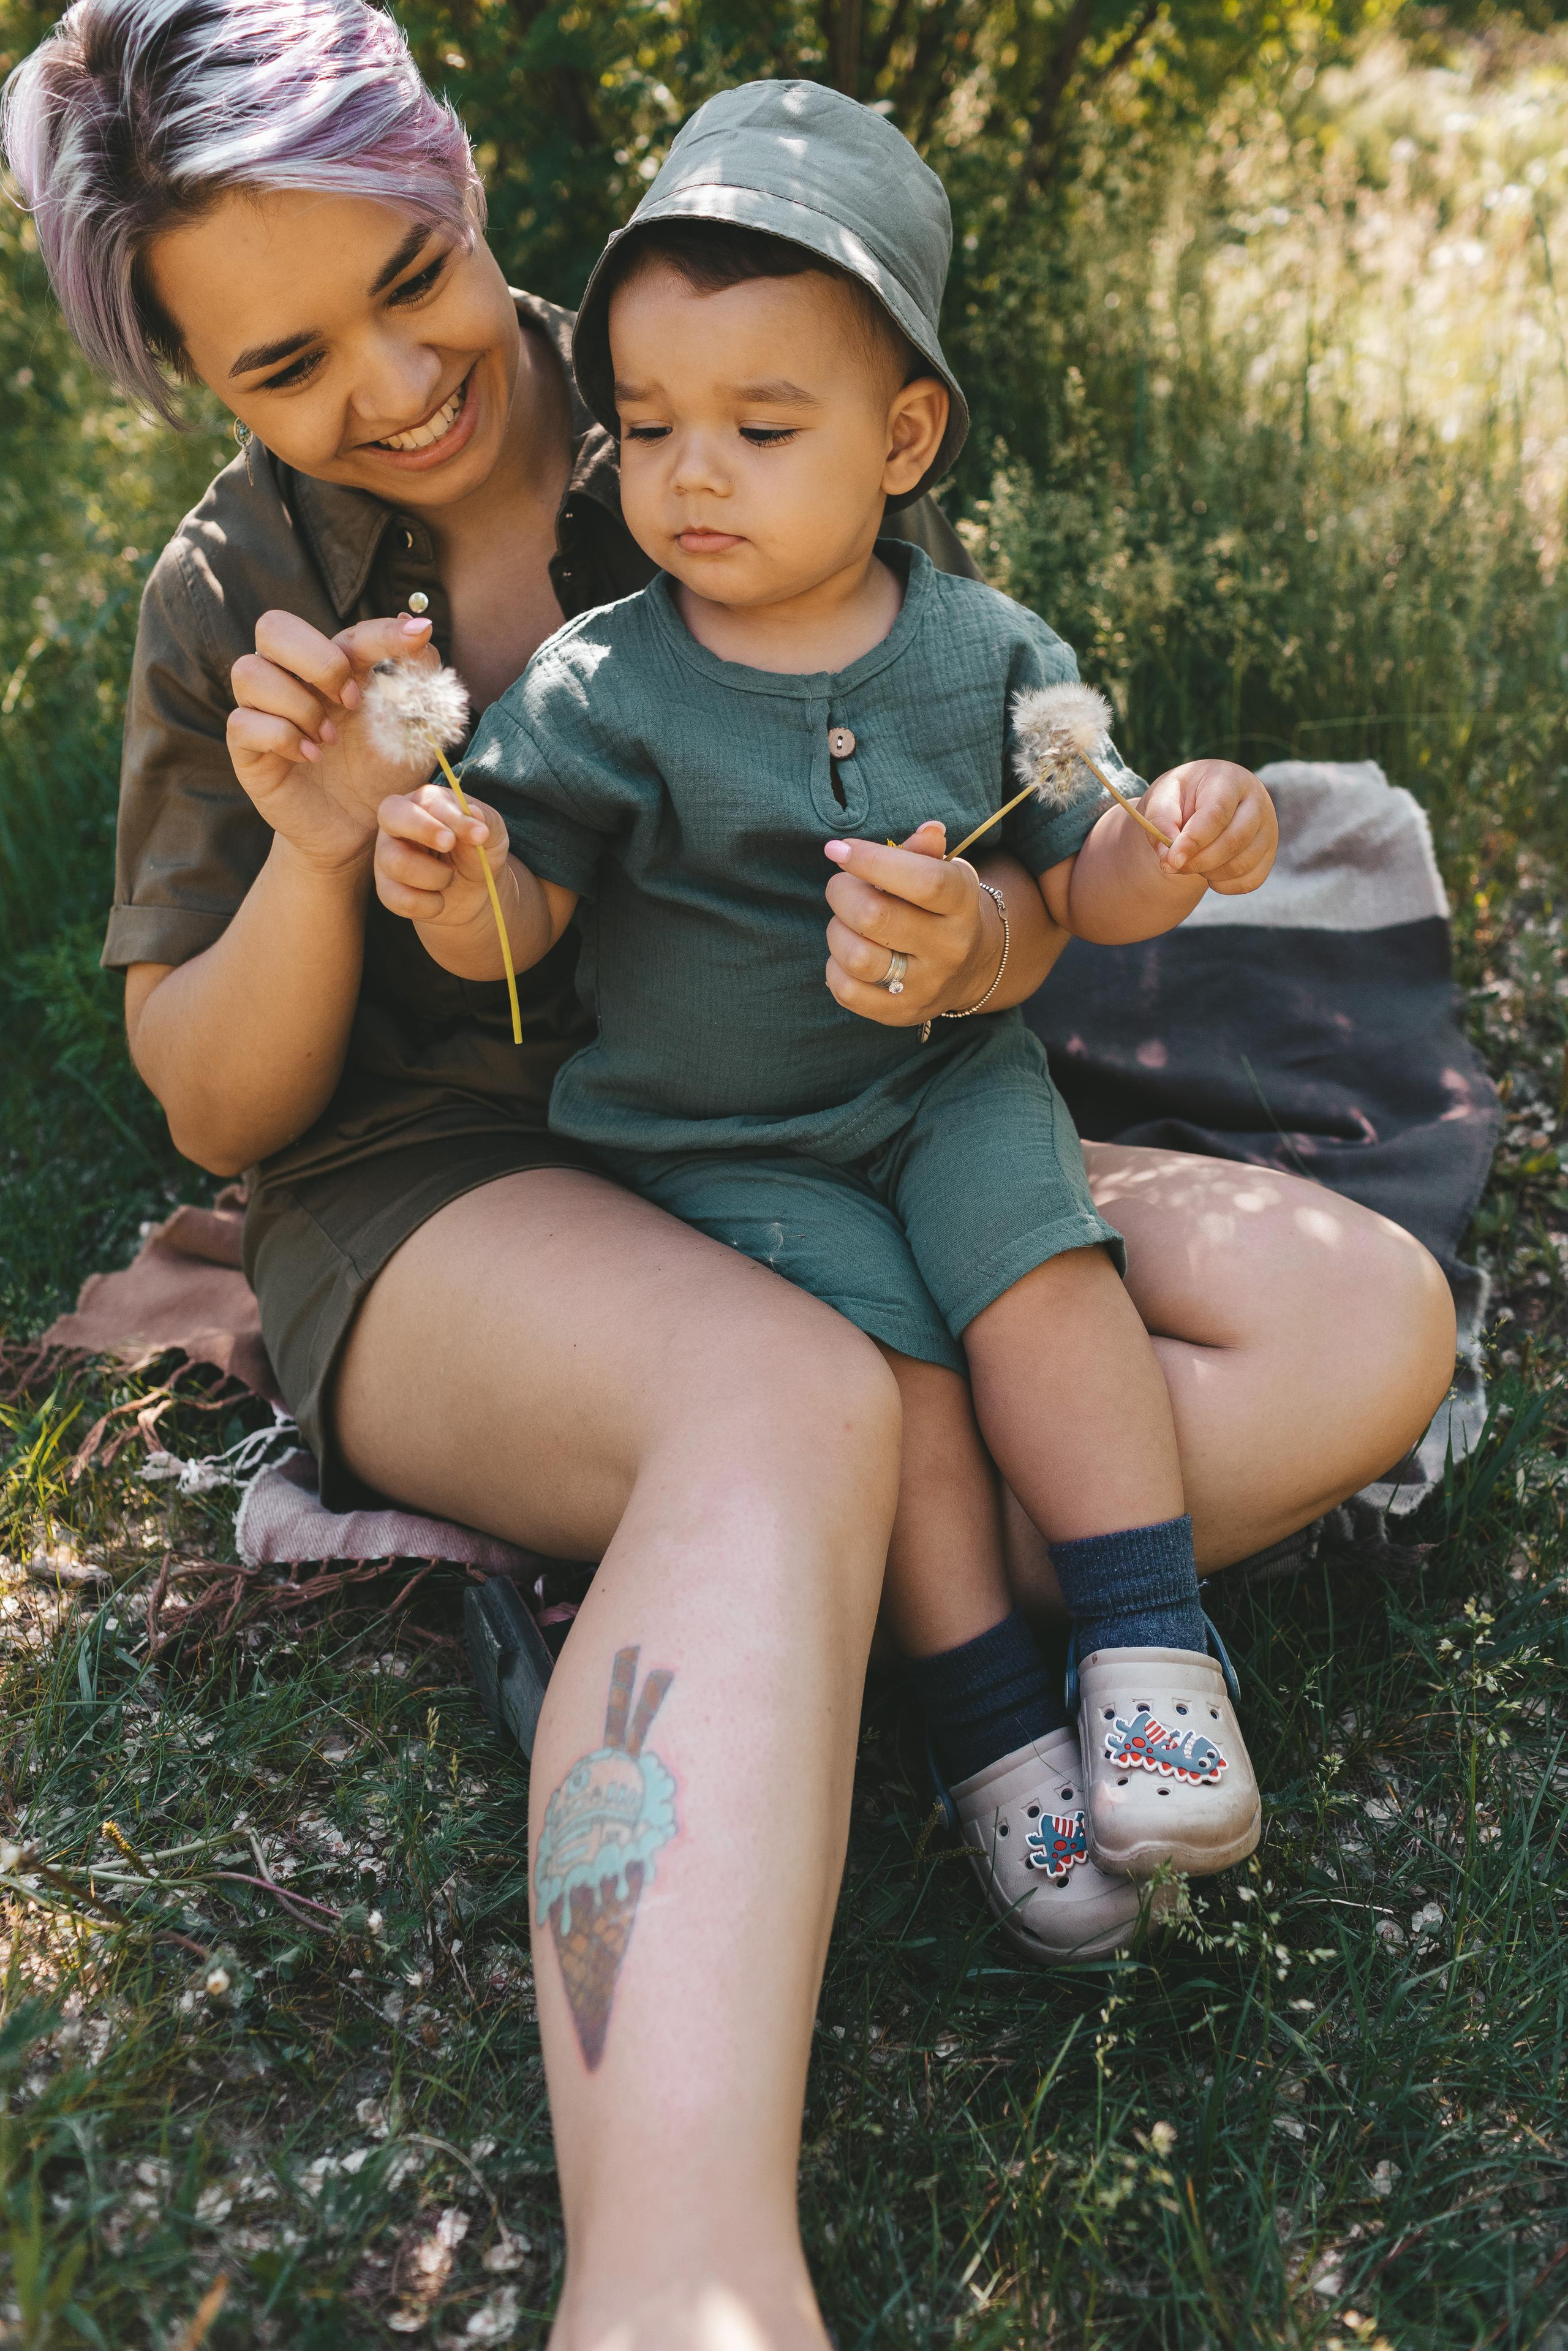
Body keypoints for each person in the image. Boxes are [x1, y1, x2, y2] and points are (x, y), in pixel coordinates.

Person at [2, 6, 1457, 2345]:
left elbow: (977, 794)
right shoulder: (238, 593)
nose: (391, 383)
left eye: (412, 276)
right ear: (205, 388)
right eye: (286, 361)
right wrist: (314, 854)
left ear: (459, 178)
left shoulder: (722, 361)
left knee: (1359, 1316)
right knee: (788, 1402)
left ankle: (801, 1605)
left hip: (827, 1109)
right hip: (456, 1190)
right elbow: (220, 1114)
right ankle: (686, 2285)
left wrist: (990, 927)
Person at [371, 83, 1278, 1971]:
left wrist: (1176, 843)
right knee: (910, 1402)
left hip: (946, 1085)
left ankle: (1147, 1647)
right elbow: (529, 918)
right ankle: (986, 1726)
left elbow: (1088, 869)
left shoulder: (985, 652)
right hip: (714, 1140)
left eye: (762, 428)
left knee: (1044, 1288)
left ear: (903, 435)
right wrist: (471, 895)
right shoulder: (603, 687)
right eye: (648, 429)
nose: (690, 475)